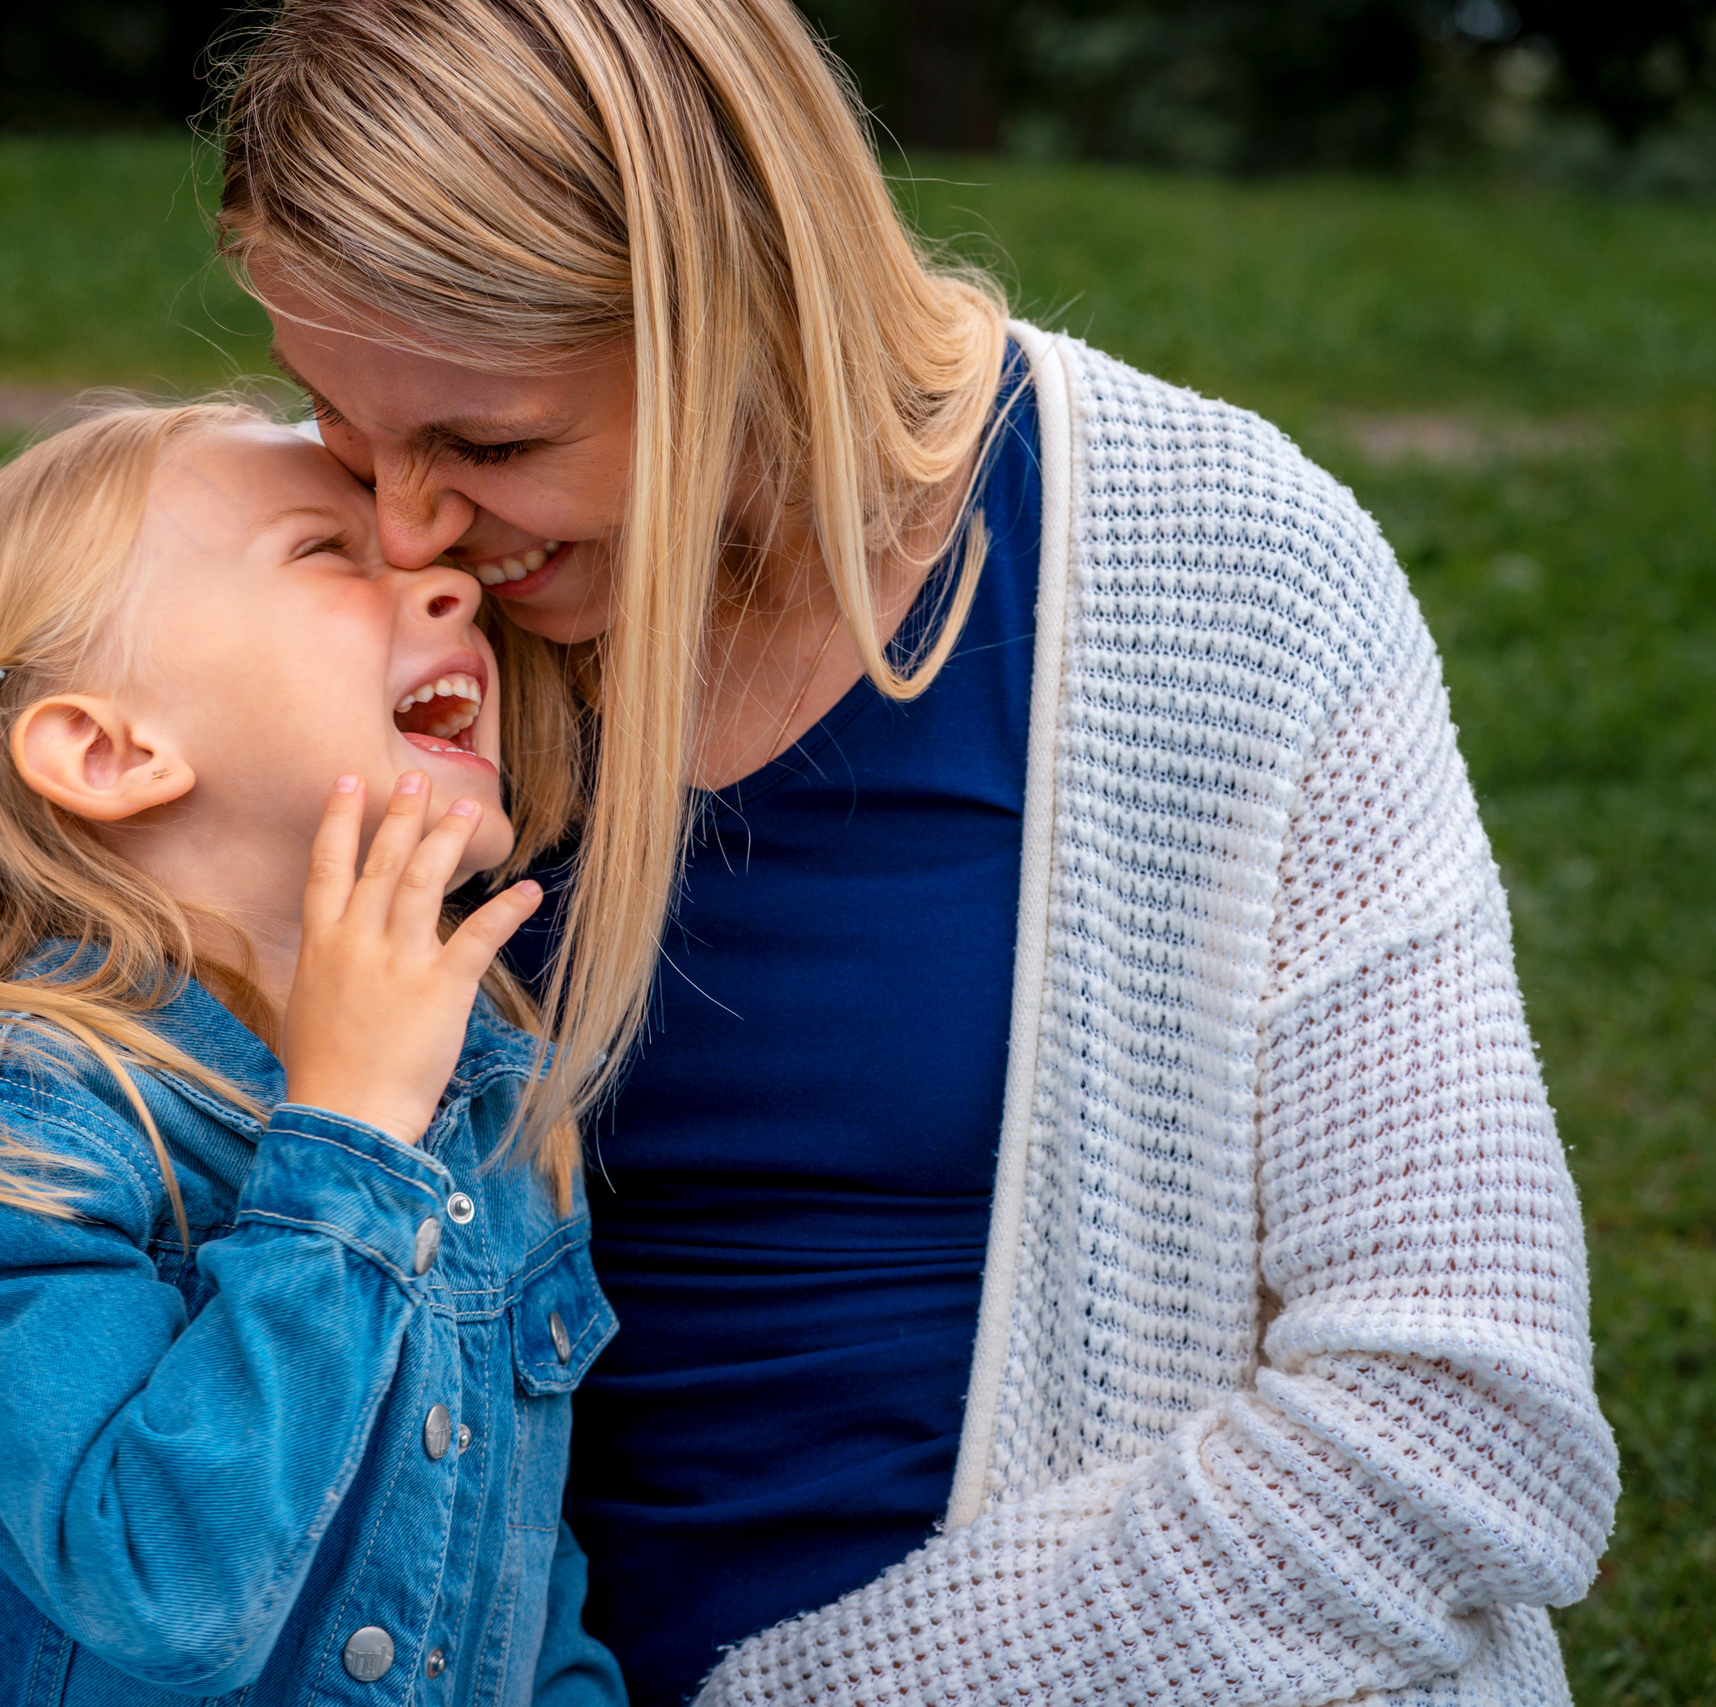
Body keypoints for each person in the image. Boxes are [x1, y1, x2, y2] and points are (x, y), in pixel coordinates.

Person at [216, 2, 1618, 1705]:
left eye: (492, 445)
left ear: (748, 313)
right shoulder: (287, 590)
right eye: (338, 421)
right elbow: (11, 1143)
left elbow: (1460, 1422)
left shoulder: (1227, 571)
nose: (405, 526)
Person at [0, 399, 628, 1706]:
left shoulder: (487, 1095)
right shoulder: (11, 1122)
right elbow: (166, 1588)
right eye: (326, 553)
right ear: (108, 750)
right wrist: (348, 1144)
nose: (448, 577)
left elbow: (506, 1578)